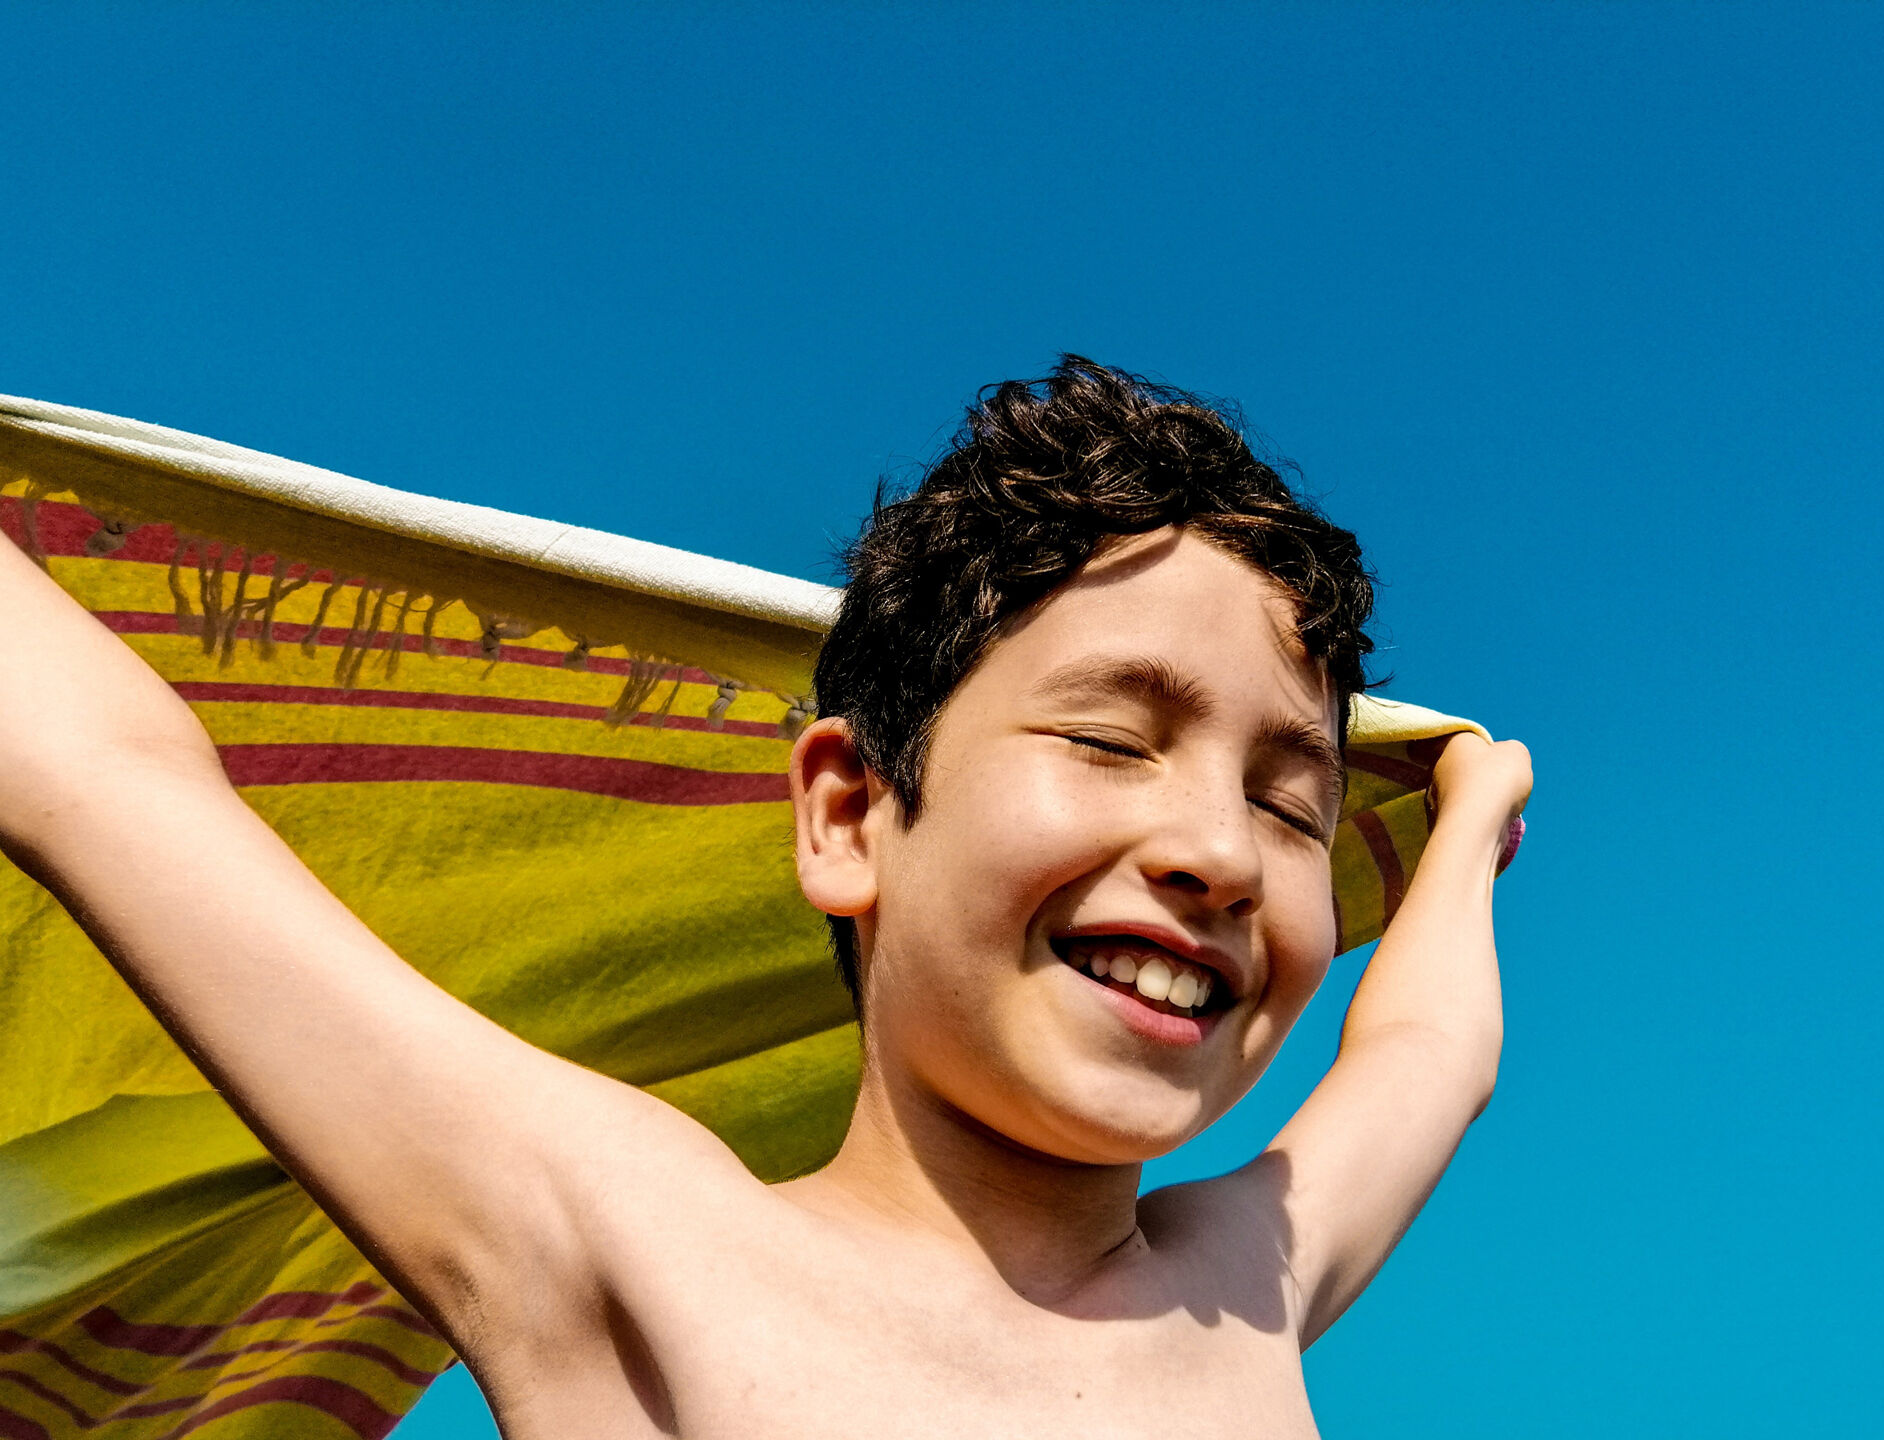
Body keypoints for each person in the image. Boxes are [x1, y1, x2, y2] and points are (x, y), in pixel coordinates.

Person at [0, 357, 1531, 1438]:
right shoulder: (631, 1241)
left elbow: (1425, 1057)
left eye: (1287, 805)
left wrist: (1470, 816)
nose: (1220, 853)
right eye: (1110, 741)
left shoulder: (1242, 1288)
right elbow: (107, 778)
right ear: (852, 816)